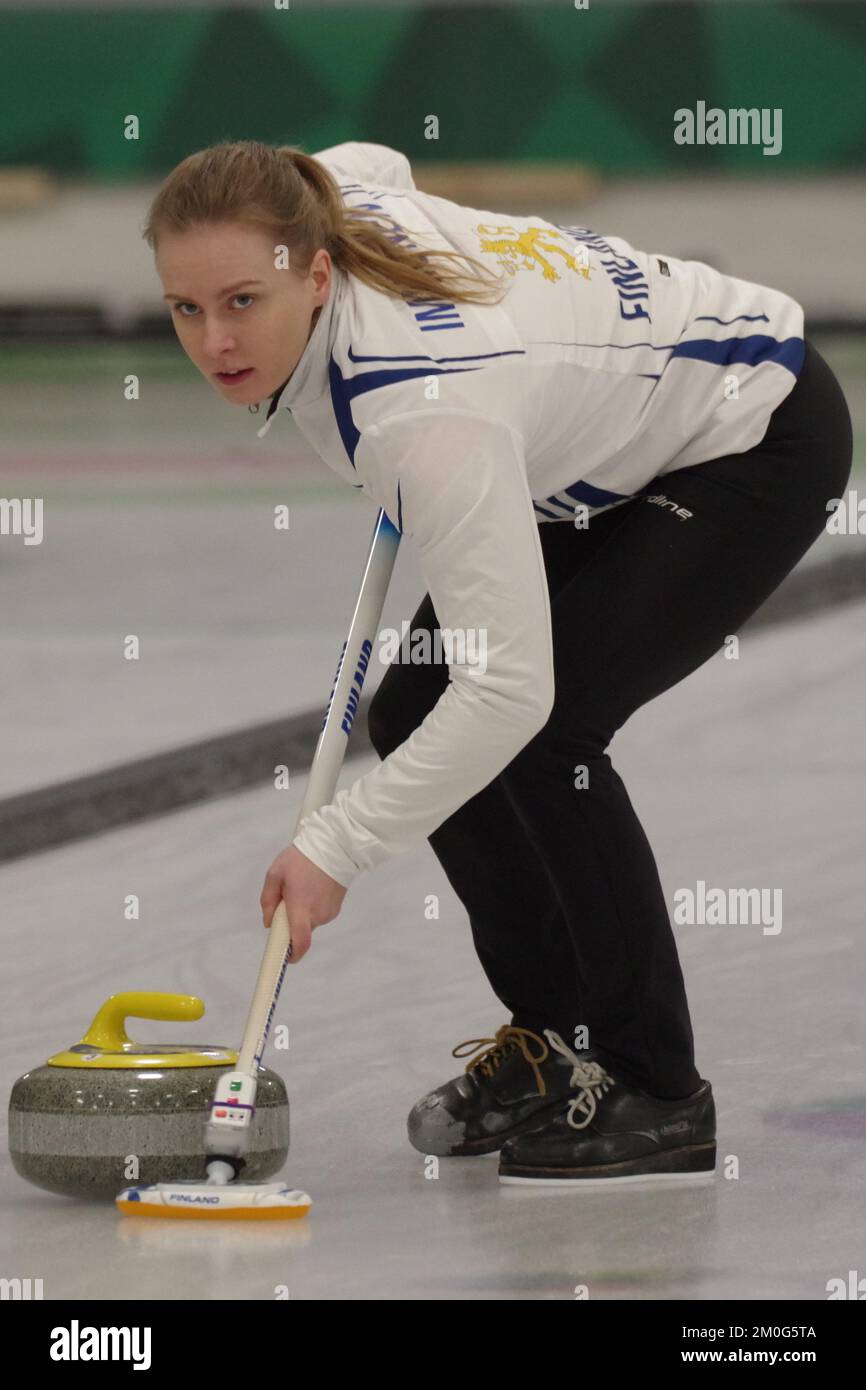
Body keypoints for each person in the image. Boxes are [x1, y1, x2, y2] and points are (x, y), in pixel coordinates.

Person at [144, 139, 852, 1187]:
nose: (216, 340)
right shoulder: (334, 201)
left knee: (544, 732)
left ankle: (655, 1087)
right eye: (186, 309)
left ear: (319, 272)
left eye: (244, 300)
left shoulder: (425, 410)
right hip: (590, 450)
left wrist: (338, 844)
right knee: (415, 706)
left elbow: (511, 689)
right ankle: (556, 1039)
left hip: (745, 428)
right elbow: (372, 158)